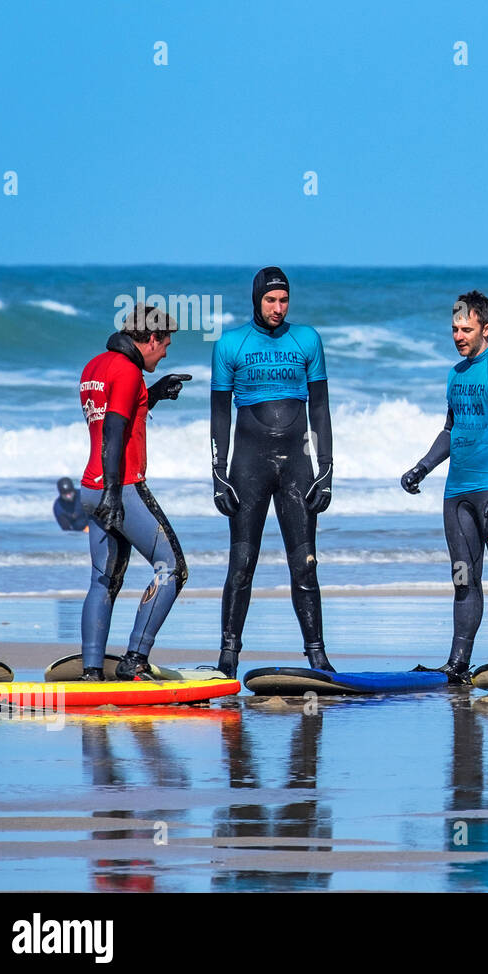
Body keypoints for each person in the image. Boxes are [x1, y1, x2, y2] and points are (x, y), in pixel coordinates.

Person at [402, 292, 488, 684]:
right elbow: (449, 431)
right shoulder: (455, 374)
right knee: (462, 578)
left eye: (467, 329)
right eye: (455, 329)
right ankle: (457, 663)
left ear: (486, 329)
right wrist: (422, 467)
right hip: (456, 494)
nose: (458, 336)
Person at [210, 267, 334, 678]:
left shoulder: (308, 339)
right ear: (256, 300)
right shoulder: (231, 345)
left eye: (283, 300)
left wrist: (326, 470)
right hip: (248, 466)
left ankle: (316, 655)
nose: (278, 308)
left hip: (297, 466)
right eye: (270, 300)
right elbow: (219, 414)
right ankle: (228, 657)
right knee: (242, 561)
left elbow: (319, 408)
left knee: (306, 565)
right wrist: (218, 474)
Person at [78, 304, 191, 681]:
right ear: (151, 338)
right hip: (121, 488)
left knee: (103, 580)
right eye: (165, 344)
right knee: (172, 568)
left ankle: (92, 671)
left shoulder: (95, 367)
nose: (166, 351)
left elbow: (120, 412)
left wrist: (152, 394)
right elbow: (113, 429)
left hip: (90, 488)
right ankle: (135, 659)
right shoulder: (127, 371)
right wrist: (115, 494)